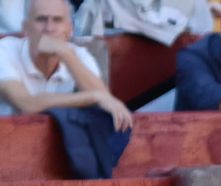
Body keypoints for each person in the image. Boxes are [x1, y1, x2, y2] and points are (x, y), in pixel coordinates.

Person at [0, 0, 131, 130]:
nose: (49, 28)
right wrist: (93, 96)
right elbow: (26, 104)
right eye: (41, 19)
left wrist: (65, 53)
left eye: (57, 20)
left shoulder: (76, 54)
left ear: (70, 29)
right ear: (26, 28)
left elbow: (104, 98)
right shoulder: (4, 51)